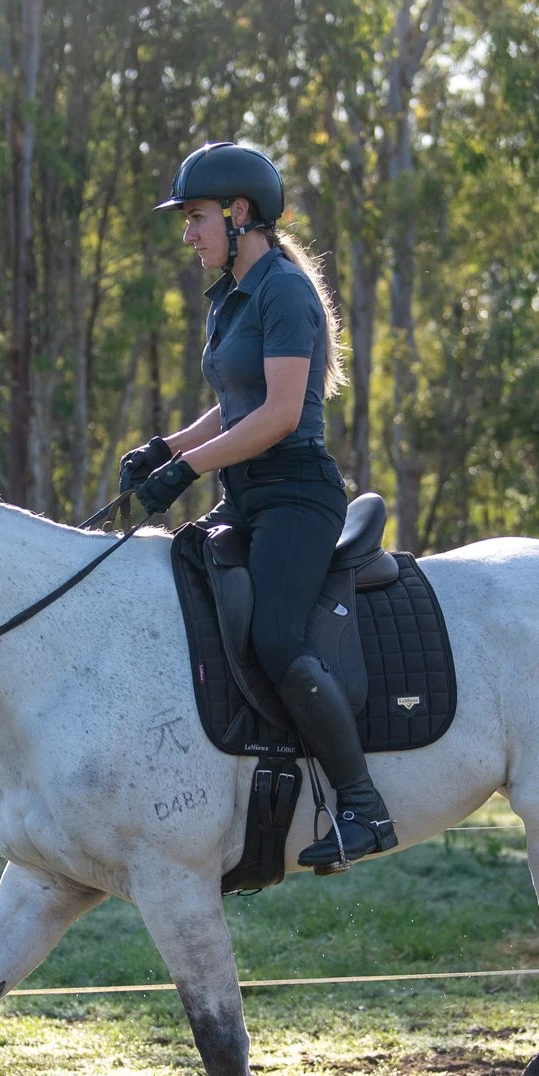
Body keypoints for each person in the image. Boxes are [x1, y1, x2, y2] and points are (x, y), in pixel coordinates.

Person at [121, 141, 398, 871]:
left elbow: (276, 416)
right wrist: (164, 447)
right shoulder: (231, 294)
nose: (189, 234)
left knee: (276, 636)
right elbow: (231, 407)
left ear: (240, 214)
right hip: (244, 493)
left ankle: (364, 806)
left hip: (296, 498)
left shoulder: (285, 291)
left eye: (197, 217)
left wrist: (186, 468)